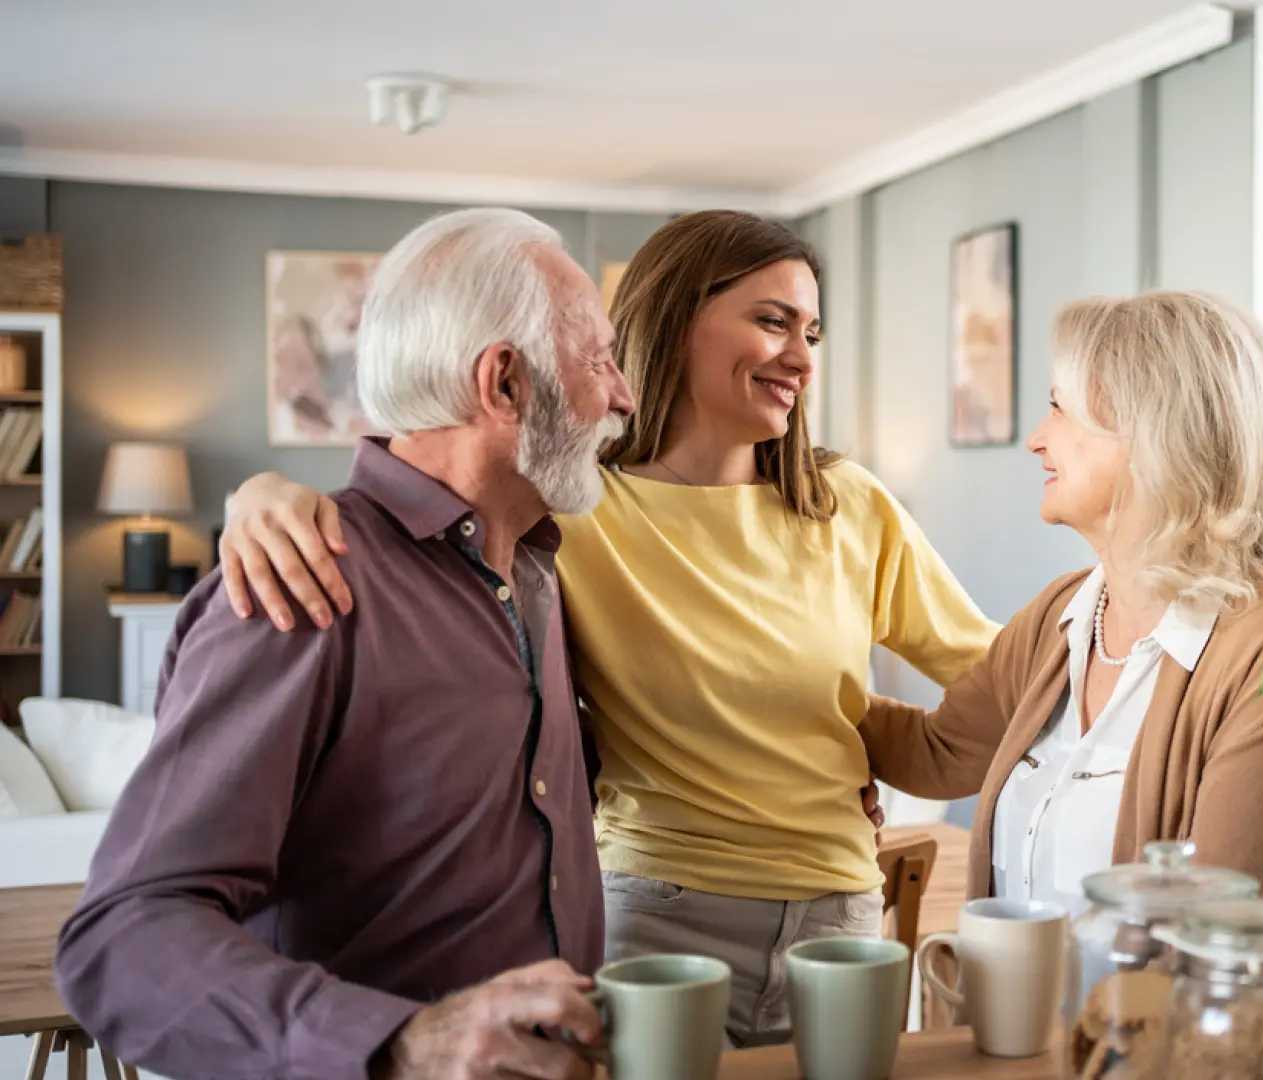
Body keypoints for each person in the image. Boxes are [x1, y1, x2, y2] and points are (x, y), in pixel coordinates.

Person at [215, 210, 999, 1048]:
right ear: (673, 321)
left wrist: (882, 733)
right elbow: (428, 510)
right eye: (772, 322)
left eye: (811, 330)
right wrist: (258, 495)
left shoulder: (850, 503)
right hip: (657, 919)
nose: (802, 358)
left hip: (841, 914)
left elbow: (997, 673)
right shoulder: (577, 507)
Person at [56, 207, 635, 1080]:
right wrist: (402, 1042)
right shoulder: (296, 587)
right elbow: (123, 937)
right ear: (505, 384)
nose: (622, 394)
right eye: (600, 361)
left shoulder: (544, 572)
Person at [862, 291, 1263, 909]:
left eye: (1059, 407)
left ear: (1154, 435)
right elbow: (937, 754)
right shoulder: (1061, 615)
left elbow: (1226, 928)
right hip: (1012, 1008)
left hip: (1136, 1011)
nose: (1035, 439)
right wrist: (782, 688)